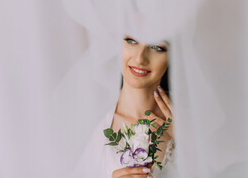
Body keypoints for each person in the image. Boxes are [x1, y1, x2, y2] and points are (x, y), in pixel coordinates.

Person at [70, 35, 177, 178]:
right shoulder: (90, 122)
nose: (140, 58)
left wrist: (185, 141)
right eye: (131, 41)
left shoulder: (189, 121)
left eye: (157, 47)